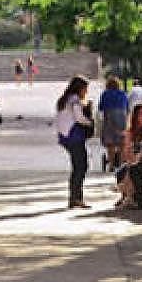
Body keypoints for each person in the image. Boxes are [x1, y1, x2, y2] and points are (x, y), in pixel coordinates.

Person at [57, 76, 94, 209]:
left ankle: (75, 197)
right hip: (74, 136)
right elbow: (79, 118)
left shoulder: (64, 100)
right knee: (80, 166)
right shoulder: (75, 100)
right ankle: (76, 198)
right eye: (85, 89)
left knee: (78, 166)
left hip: (65, 136)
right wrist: (89, 122)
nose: (86, 92)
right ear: (80, 88)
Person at [115, 103, 142, 209]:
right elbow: (127, 150)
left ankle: (140, 199)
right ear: (135, 116)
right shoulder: (130, 131)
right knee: (121, 170)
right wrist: (130, 156)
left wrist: (140, 155)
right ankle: (127, 196)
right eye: (141, 113)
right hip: (135, 160)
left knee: (134, 170)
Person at [98, 76, 129, 172]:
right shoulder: (123, 94)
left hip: (109, 117)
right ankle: (120, 164)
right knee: (121, 143)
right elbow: (127, 108)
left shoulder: (105, 94)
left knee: (110, 143)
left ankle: (111, 164)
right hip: (122, 117)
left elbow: (101, 108)